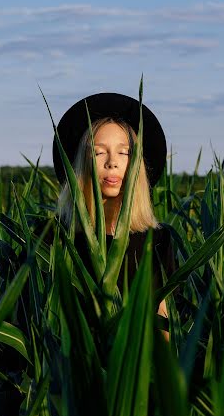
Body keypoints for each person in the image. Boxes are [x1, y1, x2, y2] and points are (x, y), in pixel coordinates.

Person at [52, 92, 174, 335]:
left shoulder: (158, 241)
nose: (112, 162)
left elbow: (164, 327)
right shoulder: (53, 238)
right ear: (80, 162)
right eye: (98, 152)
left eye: (125, 152)